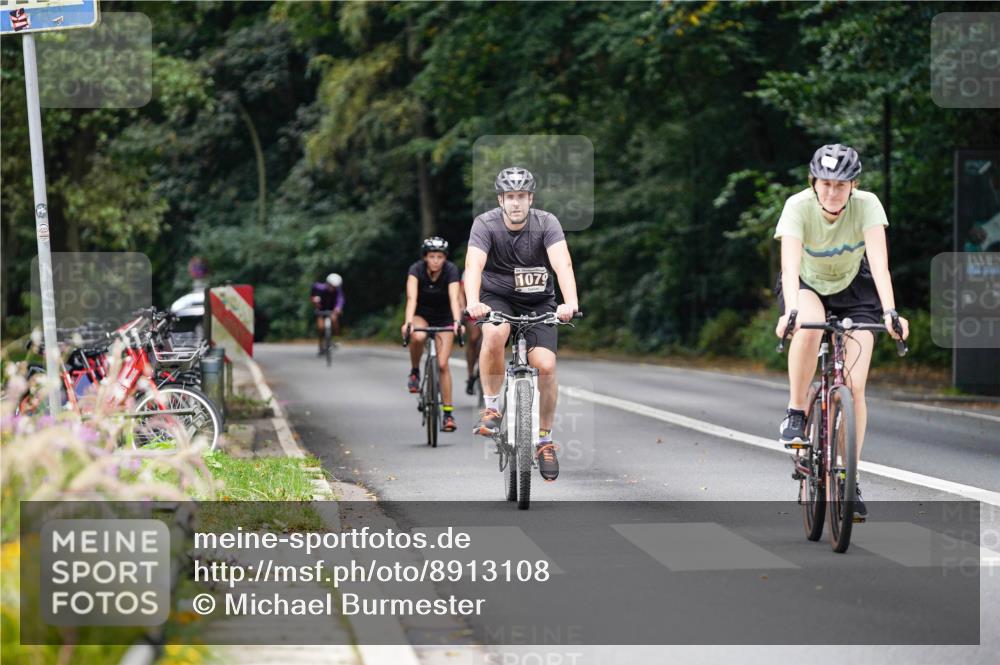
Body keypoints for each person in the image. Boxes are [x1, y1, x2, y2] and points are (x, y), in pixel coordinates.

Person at [774, 144, 910, 515]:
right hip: (807, 285)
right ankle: (796, 412)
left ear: (854, 185)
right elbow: (789, 265)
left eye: (841, 185)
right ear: (813, 182)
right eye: (826, 184)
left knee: (854, 386)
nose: (833, 192)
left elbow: (879, 264)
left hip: (855, 288)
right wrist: (791, 312)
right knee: (808, 325)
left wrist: (891, 312)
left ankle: (849, 479)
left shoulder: (868, 205)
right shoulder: (797, 206)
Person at [464, 166, 580, 482]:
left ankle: (544, 440)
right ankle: (491, 407)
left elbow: (563, 264)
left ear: (531, 198)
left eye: (521, 196)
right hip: (497, 298)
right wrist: (473, 301)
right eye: (510, 196)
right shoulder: (485, 224)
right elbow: (473, 266)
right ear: (500, 200)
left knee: (546, 365)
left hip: (538, 302)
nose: (516, 203)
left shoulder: (547, 223)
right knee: (495, 332)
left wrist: (570, 303)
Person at [401, 237, 463, 432]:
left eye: (440, 257)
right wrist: (408, 323)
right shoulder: (416, 269)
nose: (436, 261)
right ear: (425, 257)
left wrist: (457, 322)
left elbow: (454, 299)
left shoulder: (451, 270)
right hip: (422, 315)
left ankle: (448, 414)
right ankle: (415, 371)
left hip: (444, 317)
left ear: (445, 258)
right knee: (418, 336)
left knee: (443, 364)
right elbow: (411, 298)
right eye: (432, 256)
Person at [458, 268, 483, 396]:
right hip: (474, 308)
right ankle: (470, 374)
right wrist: (463, 308)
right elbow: (461, 292)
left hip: (493, 307)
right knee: (473, 338)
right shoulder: (471, 267)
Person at [311, 273, 344, 354]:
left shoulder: (338, 291)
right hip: (321, 309)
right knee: (320, 327)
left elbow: (340, 299)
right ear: (327, 283)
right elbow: (313, 290)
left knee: (334, 319)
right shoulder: (319, 287)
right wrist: (314, 299)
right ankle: (321, 346)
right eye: (331, 286)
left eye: (335, 287)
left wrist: (338, 308)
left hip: (332, 310)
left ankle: (336, 339)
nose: (333, 288)